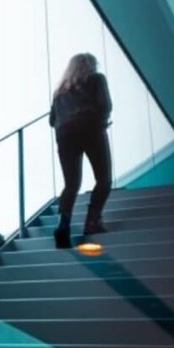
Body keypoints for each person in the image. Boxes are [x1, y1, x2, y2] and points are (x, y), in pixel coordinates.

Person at [49, 52, 113, 248]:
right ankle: (92, 221)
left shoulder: (59, 92)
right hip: (90, 127)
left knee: (71, 184)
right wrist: (102, 122)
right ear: (91, 65)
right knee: (103, 178)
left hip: (65, 134)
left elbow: (52, 121)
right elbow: (106, 105)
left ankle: (63, 225)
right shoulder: (96, 79)